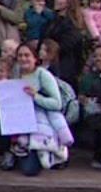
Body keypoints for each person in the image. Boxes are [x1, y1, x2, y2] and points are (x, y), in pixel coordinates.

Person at [7, 41, 74, 174]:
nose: (23, 59)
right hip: (20, 121)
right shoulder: (15, 74)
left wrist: (36, 96)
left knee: (29, 170)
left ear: (35, 58)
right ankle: (12, 153)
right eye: (20, 56)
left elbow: (57, 103)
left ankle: (41, 154)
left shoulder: (43, 75)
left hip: (40, 122)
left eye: (27, 55)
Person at [41, 0, 89, 86]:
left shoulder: (72, 26)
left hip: (65, 69)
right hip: (50, 64)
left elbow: (66, 46)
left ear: (69, 2)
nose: (56, 0)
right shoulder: (52, 21)